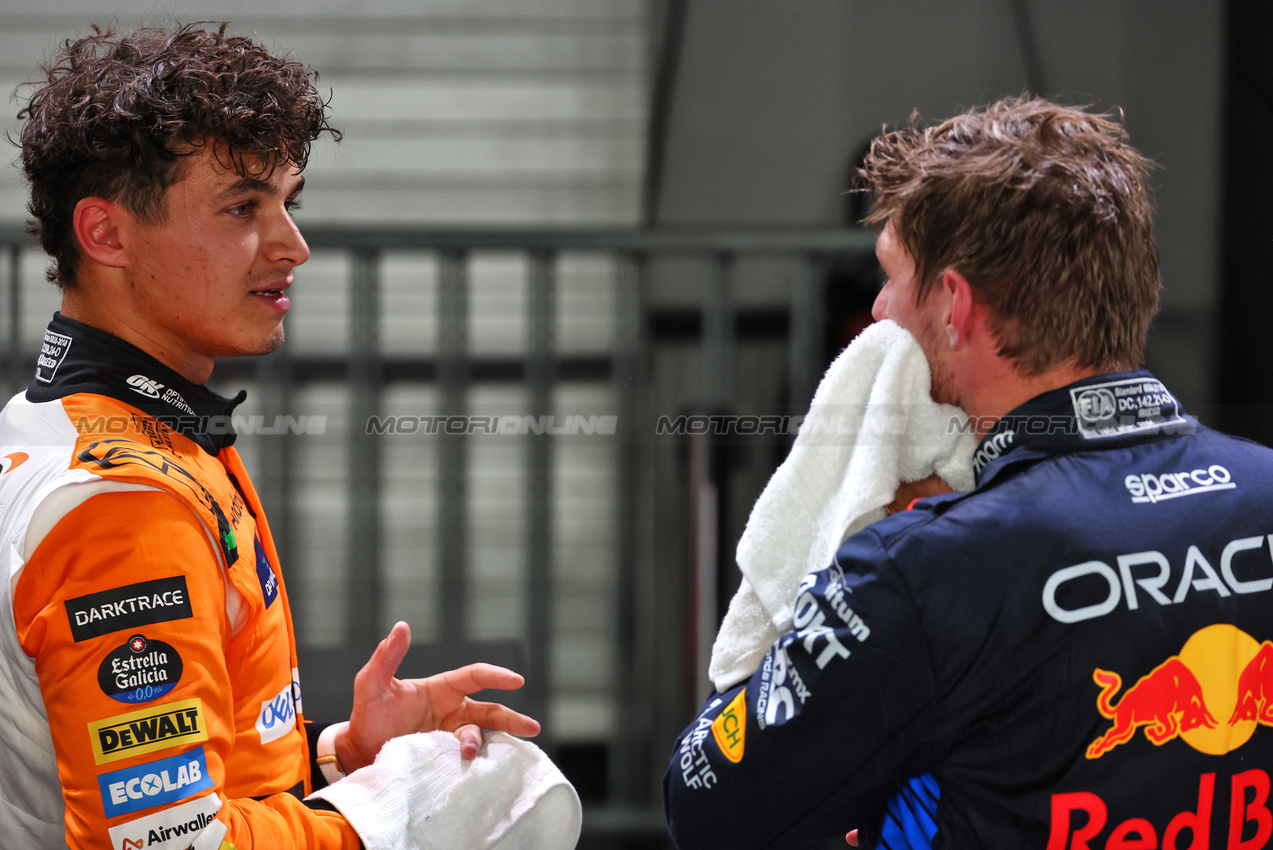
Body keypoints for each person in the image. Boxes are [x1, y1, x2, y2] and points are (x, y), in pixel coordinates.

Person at [663, 97, 1273, 848]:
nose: (881, 310)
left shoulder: (917, 567)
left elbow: (705, 803)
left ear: (953, 305)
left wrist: (836, 583)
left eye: (891, 277)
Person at [0, 23, 540, 849]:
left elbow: (180, 777)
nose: (293, 246)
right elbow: (170, 844)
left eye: (289, 203)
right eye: (243, 207)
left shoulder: (81, 424)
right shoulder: (124, 502)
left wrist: (342, 757)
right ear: (105, 234)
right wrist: (388, 814)